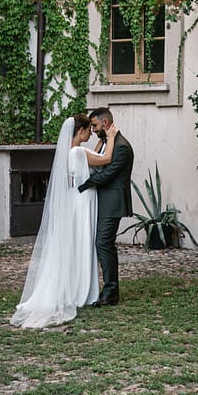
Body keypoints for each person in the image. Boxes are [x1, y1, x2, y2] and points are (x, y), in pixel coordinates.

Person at [10, 114, 119, 328]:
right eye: (88, 130)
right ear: (80, 131)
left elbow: (94, 154)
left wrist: (102, 140)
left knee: (77, 244)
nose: (90, 133)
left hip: (75, 201)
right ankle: (82, 292)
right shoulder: (78, 152)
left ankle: (78, 287)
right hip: (83, 202)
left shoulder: (70, 153)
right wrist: (112, 137)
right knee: (83, 243)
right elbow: (104, 159)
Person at [78, 105, 134, 306]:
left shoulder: (121, 146)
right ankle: (105, 289)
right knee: (101, 245)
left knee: (103, 244)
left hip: (112, 204)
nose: (92, 130)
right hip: (101, 203)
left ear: (106, 123)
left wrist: (81, 186)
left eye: (94, 126)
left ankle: (111, 292)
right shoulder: (105, 142)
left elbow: (107, 174)